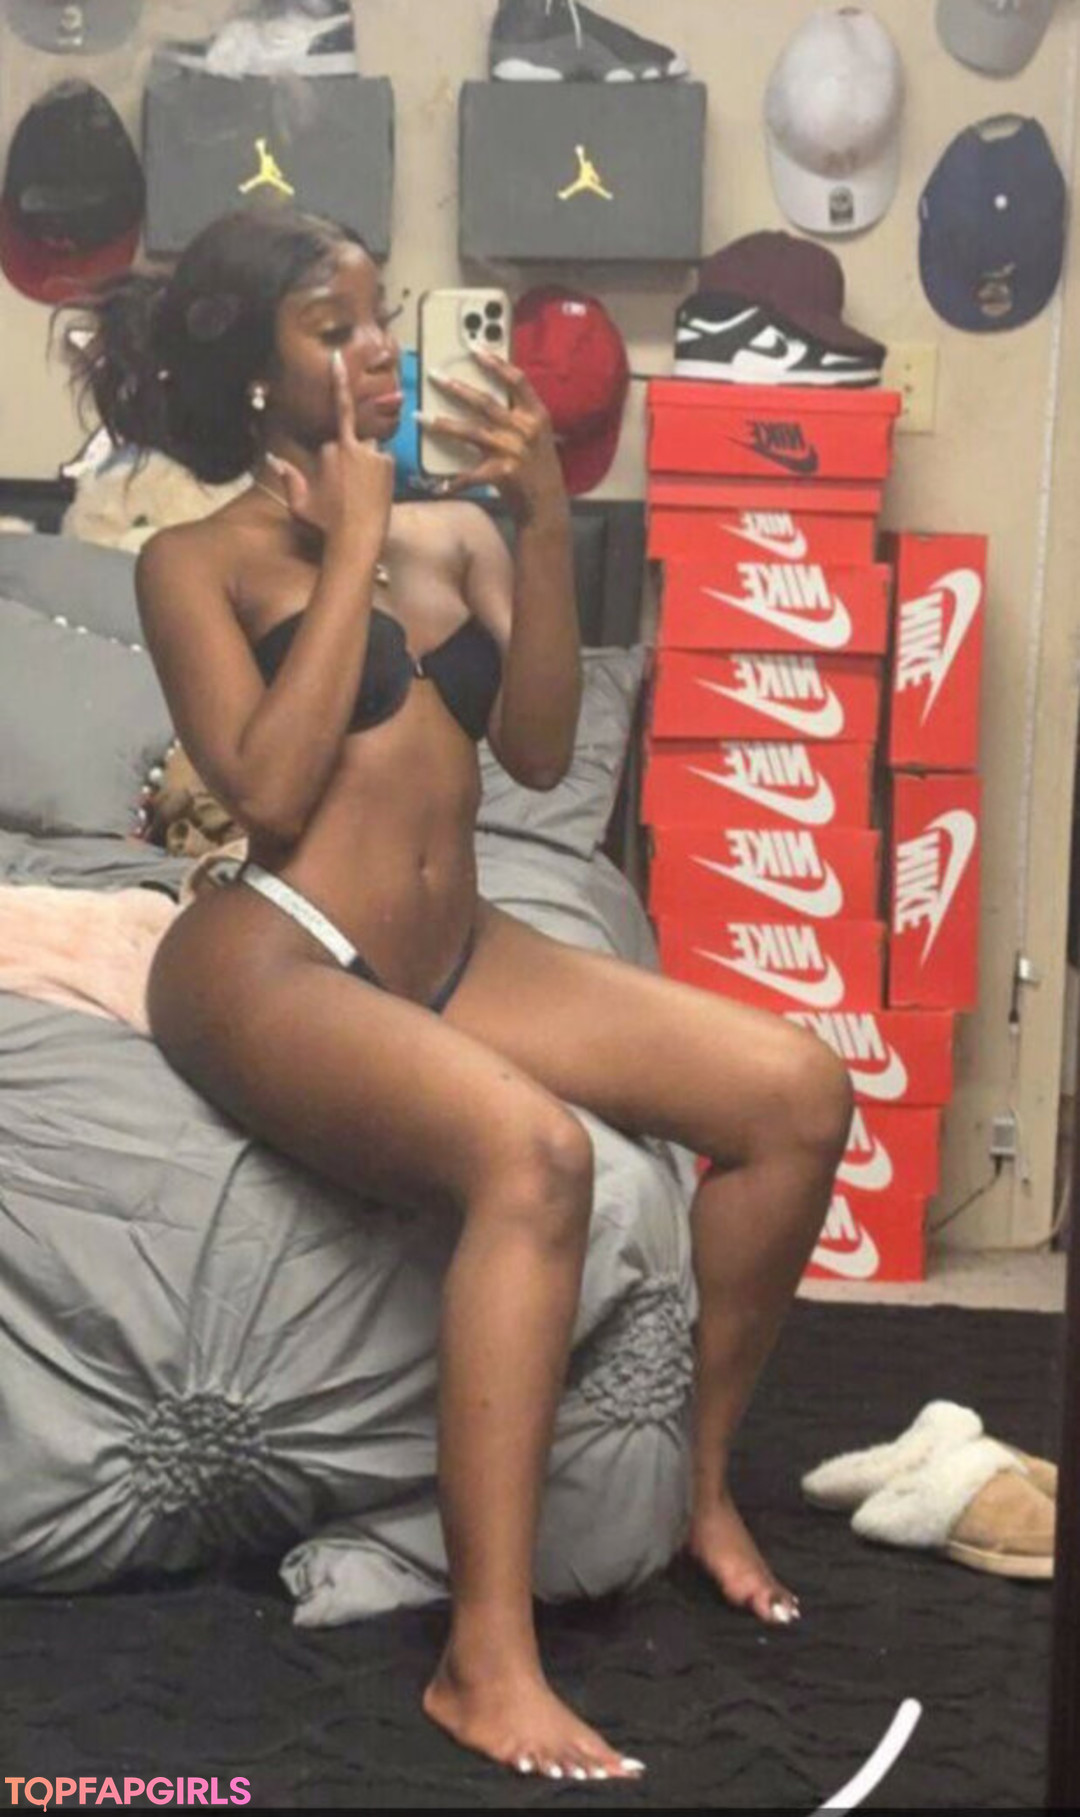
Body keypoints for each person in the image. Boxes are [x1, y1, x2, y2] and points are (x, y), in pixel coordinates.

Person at [65, 204, 854, 1785]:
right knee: (535, 1155)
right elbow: (268, 787)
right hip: (273, 951)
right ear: (253, 367)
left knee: (798, 1093)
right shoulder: (191, 563)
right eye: (329, 324)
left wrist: (543, 523)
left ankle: (696, 1487)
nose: (374, 347)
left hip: (464, 947)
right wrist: (353, 543)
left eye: (380, 314)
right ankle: (482, 1659)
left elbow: (544, 753)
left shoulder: (465, 536)